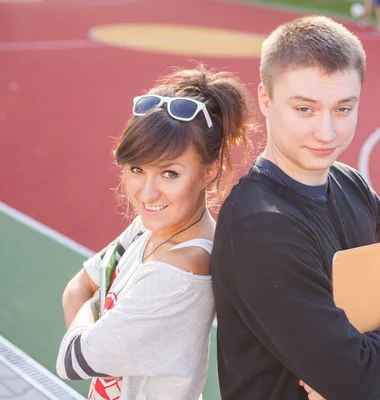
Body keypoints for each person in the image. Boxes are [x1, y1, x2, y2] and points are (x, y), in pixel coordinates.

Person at [210, 15, 380, 400]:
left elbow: (375, 324)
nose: (327, 133)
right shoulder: (260, 229)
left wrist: (353, 370)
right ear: (265, 101)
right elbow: (356, 377)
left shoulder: (354, 186)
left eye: (343, 109)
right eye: (305, 109)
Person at [56, 66, 251, 400]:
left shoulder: (182, 268)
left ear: (209, 171)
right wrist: (97, 325)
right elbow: (76, 288)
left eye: (170, 174)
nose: (146, 195)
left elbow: (73, 361)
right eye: (136, 170)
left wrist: (94, 318)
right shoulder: (147, 228)